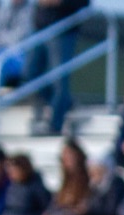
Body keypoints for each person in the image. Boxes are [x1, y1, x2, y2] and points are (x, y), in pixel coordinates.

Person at [26, 0, 87, 136]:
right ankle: (65, 103)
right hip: (40, 28)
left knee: (59, 80)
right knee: (30, 74)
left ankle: (55, 124)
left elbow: (85, 3)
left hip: (63, 30)